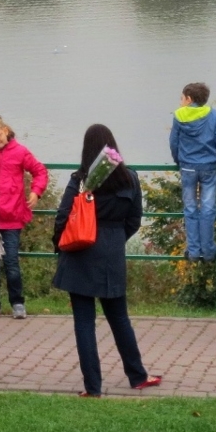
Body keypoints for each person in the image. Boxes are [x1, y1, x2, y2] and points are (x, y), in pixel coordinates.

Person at [51, 124, 163, 397]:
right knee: (119, 318)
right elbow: (134, 220)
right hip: (112, 252)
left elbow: (63, 217)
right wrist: (114, 240)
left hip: (80, 251)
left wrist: (60, 245)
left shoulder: (80, 179)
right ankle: (137, 375)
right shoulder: (131, 179)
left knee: (84, 323)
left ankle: (93, 387)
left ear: (86, 150)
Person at [0, 116, 49, 319]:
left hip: (12, 216)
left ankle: (17, 302)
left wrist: (36, 192)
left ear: (5, 131)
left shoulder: (20, 152)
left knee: (12, 262)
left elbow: (39, 171)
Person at [168, 82, 216, 262]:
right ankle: (209, 251)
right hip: (209, 166)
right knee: (208, 208)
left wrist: (179, 160)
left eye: (182, 98)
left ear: (189, 98)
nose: (180, 102)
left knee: (190, 207)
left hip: (187, 167)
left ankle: (193, 251)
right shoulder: (212, 114)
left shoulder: (178, 116)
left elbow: (173, 143)